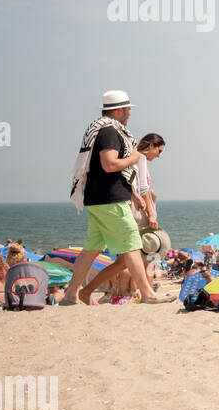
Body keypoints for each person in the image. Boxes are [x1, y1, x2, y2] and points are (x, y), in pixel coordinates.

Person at [61, 91, 172, 305]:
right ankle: (148, 294)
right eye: (128, 110)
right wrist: (132, 158)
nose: (129, 114)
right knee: (131, 245)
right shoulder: (110, 131)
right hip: (111, 200)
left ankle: (70, 295)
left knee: (92, 248)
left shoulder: (100, 129)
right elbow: (109, 164)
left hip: (96, 199)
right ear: (119, 110)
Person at [78, 133, 167, 303]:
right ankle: (148, 294)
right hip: (136, 212)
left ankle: (87, 290)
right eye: (159, 150)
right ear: (151, 146)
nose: (159, 155)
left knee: (125, 260)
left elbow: (131, 184)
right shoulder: (139, 157)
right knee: (141, 255)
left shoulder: (134, 157)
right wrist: (151, 213)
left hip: (130, 208)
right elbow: (143, 188)